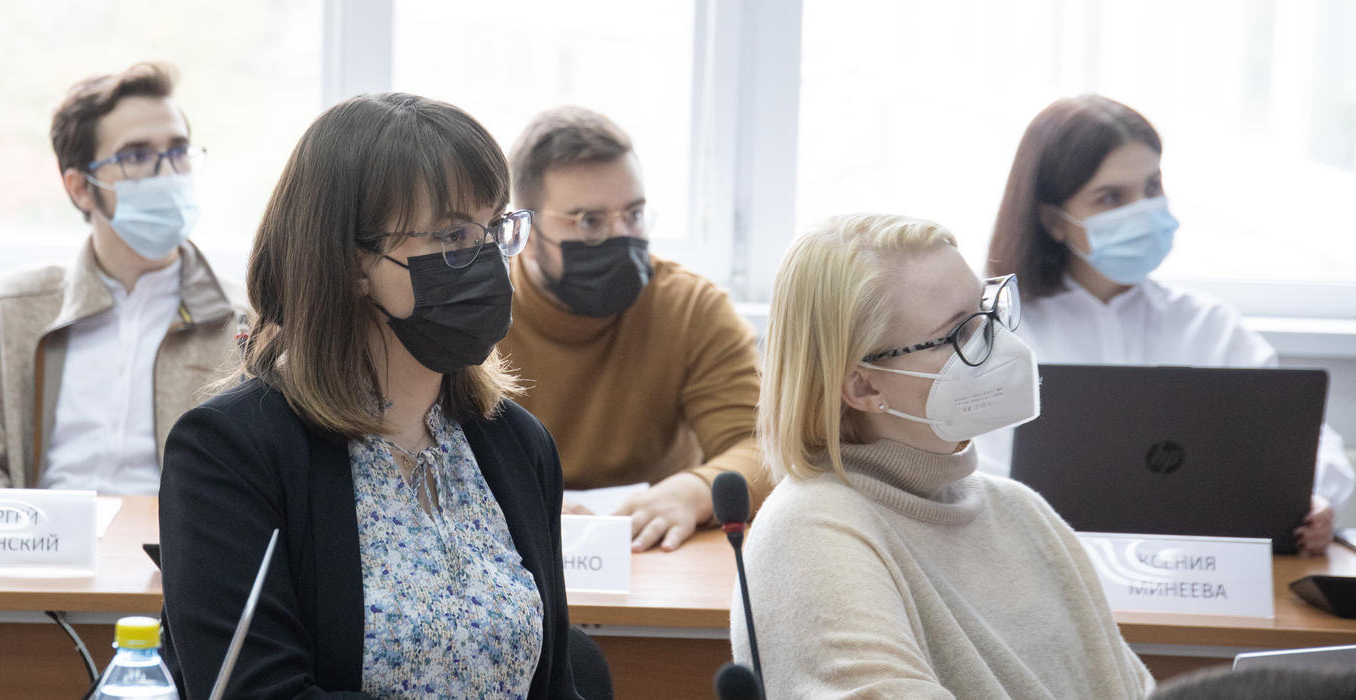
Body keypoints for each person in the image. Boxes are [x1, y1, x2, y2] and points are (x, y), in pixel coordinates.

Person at [158, 92, 580, 698]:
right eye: (454, 235)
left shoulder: (515, 443)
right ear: (353, 262)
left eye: (495, 228)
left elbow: (554, 684)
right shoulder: (228, 452)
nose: (487, 259)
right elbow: (257, 691)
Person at [736, 213, 1154, 697]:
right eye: (960, 333)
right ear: (863, 384)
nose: (997, 344)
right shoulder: (811, 533)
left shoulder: (1022, 512)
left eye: (989, 312)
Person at [978, 94, 1355, 555]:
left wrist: (1316, 502)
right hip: (1049, 573)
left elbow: (1306, 443)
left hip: (1205, 574)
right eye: (1112, 197)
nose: (1144, 209)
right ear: (1053, 220)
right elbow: (979, 481)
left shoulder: (1208, 326)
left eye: (1152, 186)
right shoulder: (1000, 336)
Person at [0, 62, 241, 494]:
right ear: (79, 188)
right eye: (137, 157)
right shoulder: (9, 309)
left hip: (175, 557)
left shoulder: (246, 322)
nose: (167, 173)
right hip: (39, 552)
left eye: (177, 152)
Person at [500, 106, 766, 552]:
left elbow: (762, 447)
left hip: (656, 550)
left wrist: (697, 489)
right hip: (514, 551)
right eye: (588, 221)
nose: (620, 236)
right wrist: (519, 501)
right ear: (525, 230)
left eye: (634, 214)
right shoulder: (478, 311)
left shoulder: (690, 307)